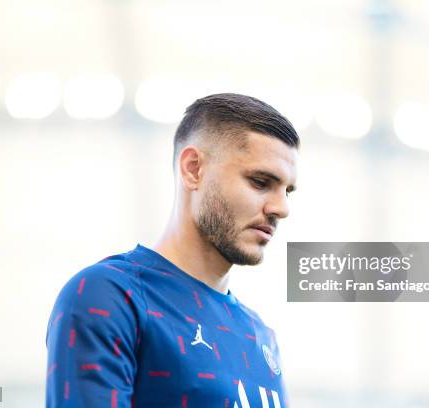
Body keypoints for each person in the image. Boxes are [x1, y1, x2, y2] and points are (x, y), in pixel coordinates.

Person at [45, 93, 299, 407]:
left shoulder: (261, 335)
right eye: (260, 182)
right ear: (193, 169)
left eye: (287, 191)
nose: (281, 208)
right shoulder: (110, 296)